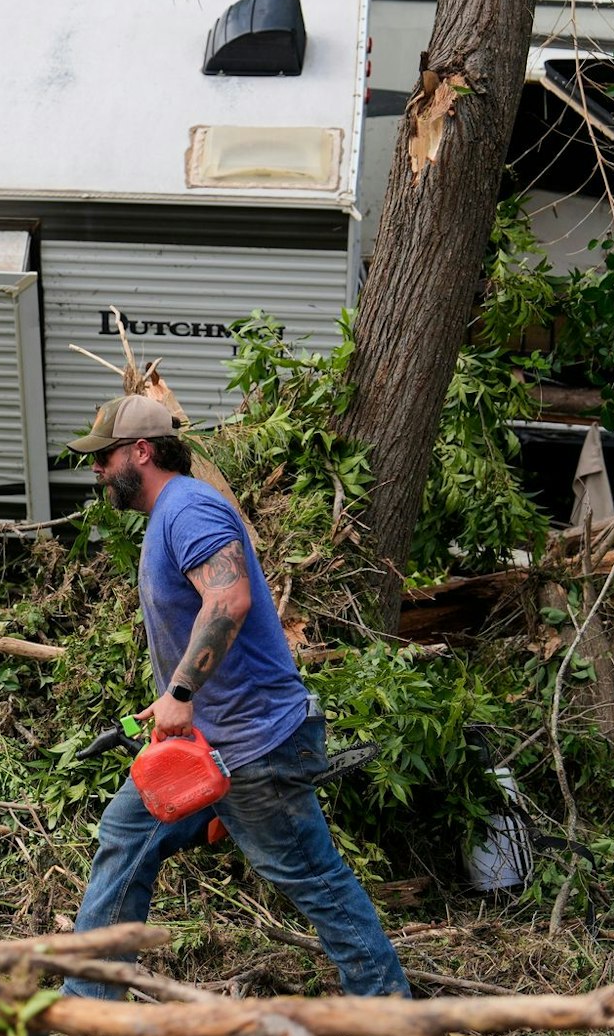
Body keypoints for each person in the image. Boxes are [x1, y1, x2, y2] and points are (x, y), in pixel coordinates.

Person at [63, 394, 409, 998]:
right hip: (203, 747)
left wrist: (181, 690)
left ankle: (388, 1019)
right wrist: (174, 706)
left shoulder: (190, 509)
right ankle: (90, 1004)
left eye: (104, 457)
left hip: (253, 749)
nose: (97, 470)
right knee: (125, 834)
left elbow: (229, 600)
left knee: (313, 880)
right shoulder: (168, 516)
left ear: (141, 452)